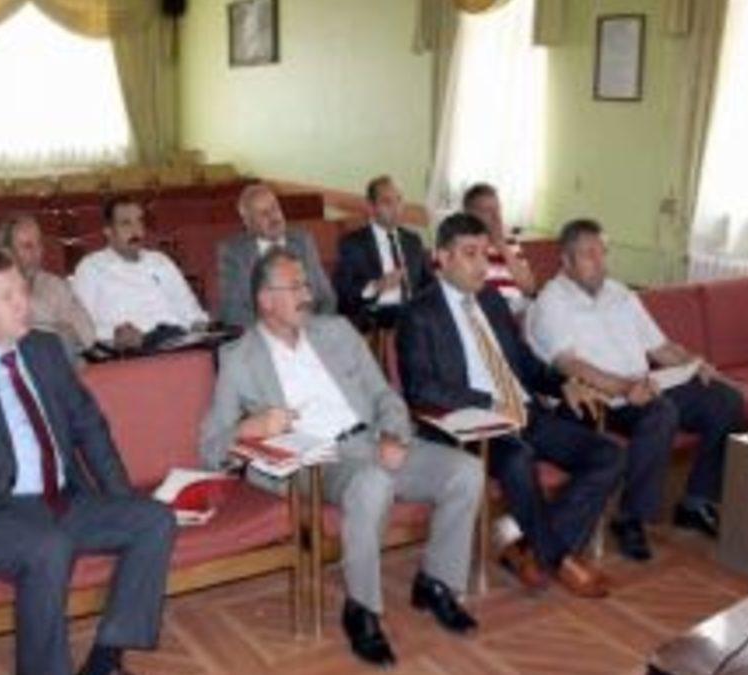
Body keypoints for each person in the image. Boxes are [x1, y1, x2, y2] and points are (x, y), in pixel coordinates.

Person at [201, 247, 483, 667]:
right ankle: (362, 610)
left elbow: (384, 395)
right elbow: (210, 447)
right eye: (295, 287)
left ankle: (436, 582)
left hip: (371, 441)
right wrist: (249, 427)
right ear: (265, 300)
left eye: (306, 284)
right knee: (373, 482)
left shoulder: (337, 331)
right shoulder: (239, 358)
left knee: (466, 471)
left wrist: (392, 434)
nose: (307, 294)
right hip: (315, 462)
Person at [0, 249, 175, 675]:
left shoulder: (45, 348)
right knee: (49, 547)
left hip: (64, 500)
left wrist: (120, 495)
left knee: (155, 519)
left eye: (23, 291)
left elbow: (90, 427)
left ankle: (106, 657)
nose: (24, 304)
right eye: (7, 296)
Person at [395, 212, 622, 598]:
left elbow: (523, 362)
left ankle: (530, 549)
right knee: (518, 457)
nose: (482, 265)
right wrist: (489, 403)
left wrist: (562, 382)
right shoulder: (419, 313)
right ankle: (559, 559)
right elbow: (421, 388)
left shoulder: (491, 300)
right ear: (443, 258)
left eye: (485, 254)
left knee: (608, 455)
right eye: (470, 254)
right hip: (471, 425)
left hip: (525, 411)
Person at [526, 219, 744, 555]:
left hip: (641, 385)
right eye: (589, 255)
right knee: (659, 413)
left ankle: (696, 501)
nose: (600, 262)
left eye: (603, 253)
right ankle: (631, 517)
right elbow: (570, 365)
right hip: (596, 398)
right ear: (565, 261)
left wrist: (695, 363)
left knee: (724, 400)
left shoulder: (620, 293)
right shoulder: (551, 303)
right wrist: (626, 388)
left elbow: (660, 347)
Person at [72, 197, 209, 351]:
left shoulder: (160, 261)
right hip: (134, 348)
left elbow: (191, 311)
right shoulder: (92, 267)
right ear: (108, 232)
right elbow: (81, 327)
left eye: (139, 221)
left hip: (178, 339)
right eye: (126, 223)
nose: (136, 230)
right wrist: (114, 334)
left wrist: (199, 325)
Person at [216, 183, 336, 328]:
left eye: (275, 208)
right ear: (248, 223)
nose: (273, 217)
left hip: (310, 329)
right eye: (263, 213)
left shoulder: (303, 241)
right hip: (262, 335)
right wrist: (275, 333)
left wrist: (313, 328)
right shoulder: (234, 253)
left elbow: (326, 297)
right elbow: (233, 311)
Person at [334, 175, 434, 330]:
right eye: (387, 202)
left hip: (412, 313)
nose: (396, 208)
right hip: (377, 315)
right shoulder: (354, 244)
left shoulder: (412, 240)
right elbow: (343, 294)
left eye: (399, 200)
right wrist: (377, 286)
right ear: (371, 207)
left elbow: (427, 283)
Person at [0, 214, 96, 358]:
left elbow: (88, 335)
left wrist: (50, 329)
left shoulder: (54, 284)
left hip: (63, 359)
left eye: (39, 244)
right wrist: (56, 328)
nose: (37, 252)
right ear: (7, 252)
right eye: (27, 246)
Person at [462, 183, 537, 314]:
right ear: (469, 214)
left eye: (498, 209)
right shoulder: (457, 245)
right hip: (485, 309)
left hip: (519, 307)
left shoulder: (509, 242)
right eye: (488, 211)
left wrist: (501, 245)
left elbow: (530, 289)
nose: (496, 217)